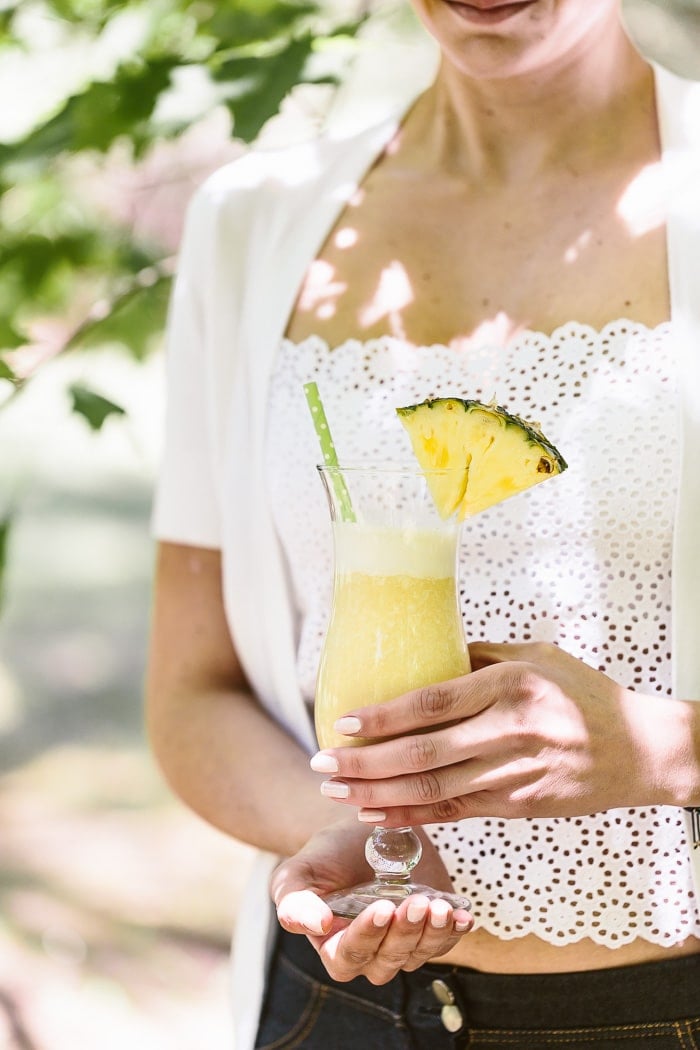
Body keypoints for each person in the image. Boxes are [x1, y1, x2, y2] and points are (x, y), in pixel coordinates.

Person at [145, 0, 700, 1046]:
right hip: (333, 1010)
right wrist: (359, 830)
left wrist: (655, 752)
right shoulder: (255, 218)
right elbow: (192, 691)